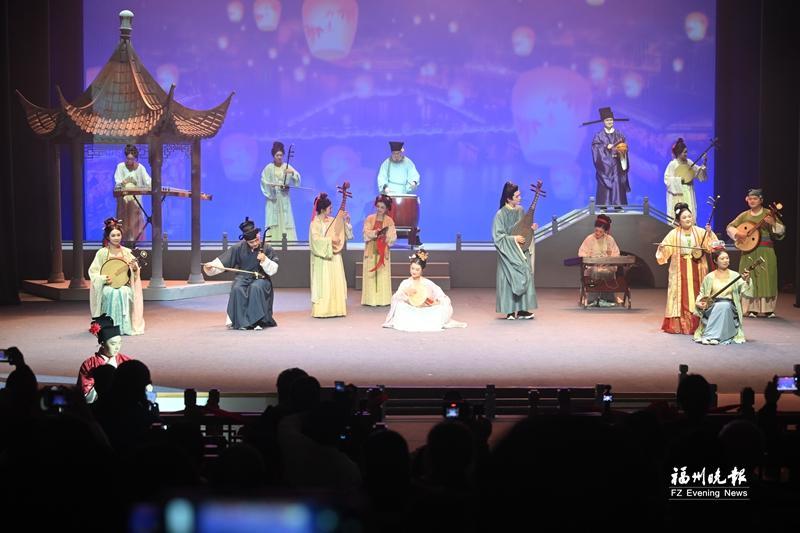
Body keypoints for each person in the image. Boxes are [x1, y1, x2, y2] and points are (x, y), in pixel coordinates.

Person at [203, 217, 279, 330]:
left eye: (256, 240)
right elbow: (223, 262)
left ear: (258, 235)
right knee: (237, 288)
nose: (254, 243)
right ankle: (241, 322)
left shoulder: (266, 248)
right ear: (246, 241)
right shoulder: (238, 248)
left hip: (261, 278)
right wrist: (211, 266)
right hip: (243, 278)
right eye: (251, 242)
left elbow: (274, 268)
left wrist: (265, 260)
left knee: (255, 288)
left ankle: (257, 322)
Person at [656, 203, 715, 334]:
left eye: (689, 216)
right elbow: (665, 249)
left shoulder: (700, 231)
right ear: (679, 220)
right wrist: (662, 248)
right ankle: (682, 324)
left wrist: (709, 234)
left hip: (698, 266)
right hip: (680, 267)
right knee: (680, 295)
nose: (688, 219)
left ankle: (700, 323)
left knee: (699, 292)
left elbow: (711, 247)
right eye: (684, 217)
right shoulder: (673, 234)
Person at [726, 189, 785, 317]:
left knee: (767, 277)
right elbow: (730, 227)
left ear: (761, 200)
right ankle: (751, 308)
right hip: (749, 250)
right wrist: (738, 233)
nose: (752, 201)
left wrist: (773, 223)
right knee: (749, 277)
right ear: (747, 200)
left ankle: (768, 309)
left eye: (755, 198)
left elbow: (781, 231)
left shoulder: (768, 213)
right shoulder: (744, 215)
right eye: (750, 198)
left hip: (766, 250)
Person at [383, 249, 466, 331]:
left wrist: (434, 302)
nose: (414, 271)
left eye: (417, 269)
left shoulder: (428, 283)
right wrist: (405, 292)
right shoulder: (405, 283)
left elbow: (441, 296)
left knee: (441, 308)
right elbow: (395, 298)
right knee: (400, 307)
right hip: (410, 309)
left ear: (422, 270)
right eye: (412, 268)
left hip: (425, 309)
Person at [88, 217, 145, 335]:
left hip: (124, 284)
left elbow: (135, 271)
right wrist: (102, 279)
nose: (116, 238)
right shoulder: (102, 253)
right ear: (108, 237)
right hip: (107, 284)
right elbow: (93, 271)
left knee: (124, 292)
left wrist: (134, 269)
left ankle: (124, 326)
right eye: (113, 235)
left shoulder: (127, 252)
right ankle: (109, 326)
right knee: (110, 292)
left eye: (118, 235)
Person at [492, 182, 537, 320]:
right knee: (509, 279)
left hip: (521, 250)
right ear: (508, 198)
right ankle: (510, 310)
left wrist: (531, 229)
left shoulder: (520, 210)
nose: (520, 198)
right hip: (509, 253)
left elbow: (524, 229)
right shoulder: (500, 214)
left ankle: (523, 310)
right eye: (517, 196)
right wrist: (513, 239)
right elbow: (498, 237)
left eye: (519, 195)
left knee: (525, 275)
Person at [694, 250, 753, 344]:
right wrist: (698, 302)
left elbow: (745, 290)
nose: (725, 260)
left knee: (724, 306)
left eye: (727, 258)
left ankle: (711, 336)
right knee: (719, 306)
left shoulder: (735, 275)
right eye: (722, 258)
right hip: (713, 305)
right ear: (715, 261)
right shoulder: (709, 277)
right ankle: (712, 336)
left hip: (729, 306)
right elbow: (702, 293)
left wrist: (747, 280)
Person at [310, 193, 353, 317]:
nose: (331, 210)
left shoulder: (332, 220)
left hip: (335, 256)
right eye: (330, 208)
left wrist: (346, 222)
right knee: (325, 283)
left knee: (336, 282)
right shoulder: (315, 224)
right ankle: (323, 310)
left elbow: (344, 235)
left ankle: (337, 309)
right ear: (323, 209)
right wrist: (330, 240)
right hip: (323, 258)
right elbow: (315, 241)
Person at [78, 323, 133, 403]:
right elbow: (85, 392)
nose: (117, 347)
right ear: (102, 344)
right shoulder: (89, 364)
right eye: (113, 344)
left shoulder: (126, 361)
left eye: (119, 343)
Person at [587, 107, 630, 208]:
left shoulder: (619, 135)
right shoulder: (599, 136)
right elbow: (595, 148)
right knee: (604, 184)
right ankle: (603, 206)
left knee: (617, 183)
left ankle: (618, 205)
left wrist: (622, 151)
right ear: (603, 121)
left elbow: (624, 146)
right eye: (607, 120)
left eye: (611, 120)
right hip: (604, 166)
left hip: (617, 164)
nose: (609, 122)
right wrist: (606, 146)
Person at [578, 214, 623, 307]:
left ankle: (607, 299)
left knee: (607, 272)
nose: (597, 233)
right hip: (592, 266)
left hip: (607, 266)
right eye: (596, 230)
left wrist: (608, 262)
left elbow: (616, 253)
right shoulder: (589, 239)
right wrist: (591, 260)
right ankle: (593, 299)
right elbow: (581, 253)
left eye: (600, 231)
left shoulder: (610, 239)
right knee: (595, 271)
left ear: (605, 232)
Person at [260, 141, 301, 243]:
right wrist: (271, 186)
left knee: (286, 220)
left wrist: (292, 173)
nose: (279, 157)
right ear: (273, 155)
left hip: (284, 198)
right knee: (273, 221)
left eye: (281, 155)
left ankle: (288, 243)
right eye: (277, 155)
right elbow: (264, 182)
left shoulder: (286, 166)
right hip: (273, 200)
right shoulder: (268, 168)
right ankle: (272, 243)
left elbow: (297, 178)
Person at [362, 194, 398, 307]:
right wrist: (375, 233)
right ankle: (370, 300)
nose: (379, 209)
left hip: (383, 250)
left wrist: (385, 236)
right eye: (378, 206)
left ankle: (383, 300)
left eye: (382, 207)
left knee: (382, 274)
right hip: (371, 249)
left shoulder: (389, 221)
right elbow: (365, 233)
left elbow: (393, 237)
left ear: (386, 208)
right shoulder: (369, 218)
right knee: (371, 274)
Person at [114, 144, 152, 242]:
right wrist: (124, 184)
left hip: (135, 202)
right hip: (124, 201)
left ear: (135, 158)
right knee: (123, 221)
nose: (130, 161)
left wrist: (154, 184)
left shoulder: (140, 168)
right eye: (128, 159)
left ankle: (135, 243)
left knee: (135, 222)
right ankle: (123, 242)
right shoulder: (120, 167)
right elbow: (118, 183)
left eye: (132, 159)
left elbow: (148, 182)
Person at [664, 137, 708, 222]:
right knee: (679, 215)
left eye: (686, 152)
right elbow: (667, 180)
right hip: (678, 194)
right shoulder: (673, 164)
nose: (686, 154)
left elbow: (699, 173)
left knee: (689, 212)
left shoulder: (689, 162)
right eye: (684, 152)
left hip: (688, 191)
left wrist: (704, 162)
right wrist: (680, 180)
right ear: (679, 153)